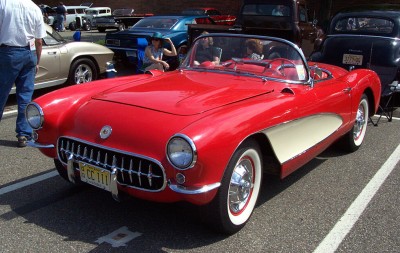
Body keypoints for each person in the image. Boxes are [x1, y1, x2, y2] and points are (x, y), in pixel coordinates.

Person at [0, 0, 47, 147]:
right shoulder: (34, 8)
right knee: (25, 96)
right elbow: (39, 40)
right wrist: (37, 61)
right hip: (29, 53)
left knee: (1, 93)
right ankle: (23, 134)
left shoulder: (3, 4)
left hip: (8, 52)